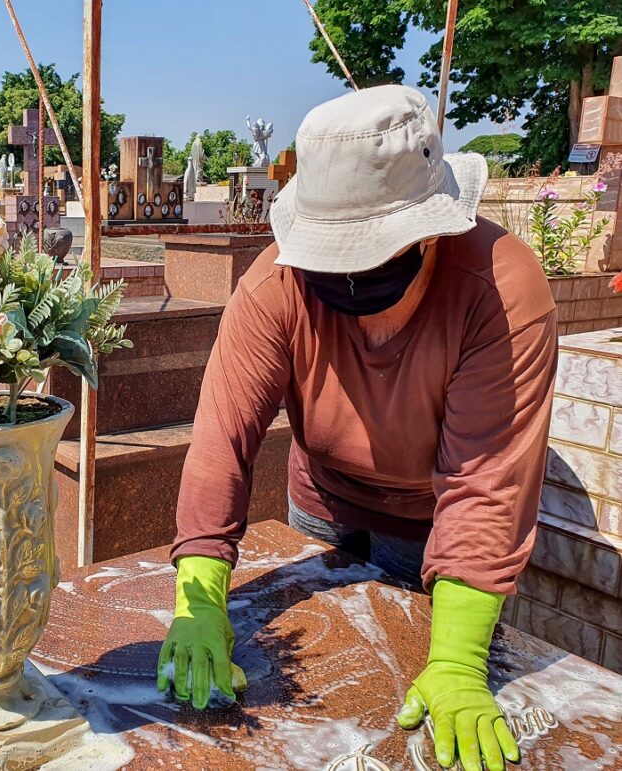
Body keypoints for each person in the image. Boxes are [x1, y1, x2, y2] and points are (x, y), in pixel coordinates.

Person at [157, 85, 557, 771]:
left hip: (433, 519)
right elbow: (222, 439)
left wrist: (459, 666)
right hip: (321, 494)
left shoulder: (501, 288)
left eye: (374, 260)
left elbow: (486, 483)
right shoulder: (272, 287)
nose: (351, 289)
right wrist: (198, 600)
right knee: (327, 684)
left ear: (432, 229)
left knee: (401, 689)